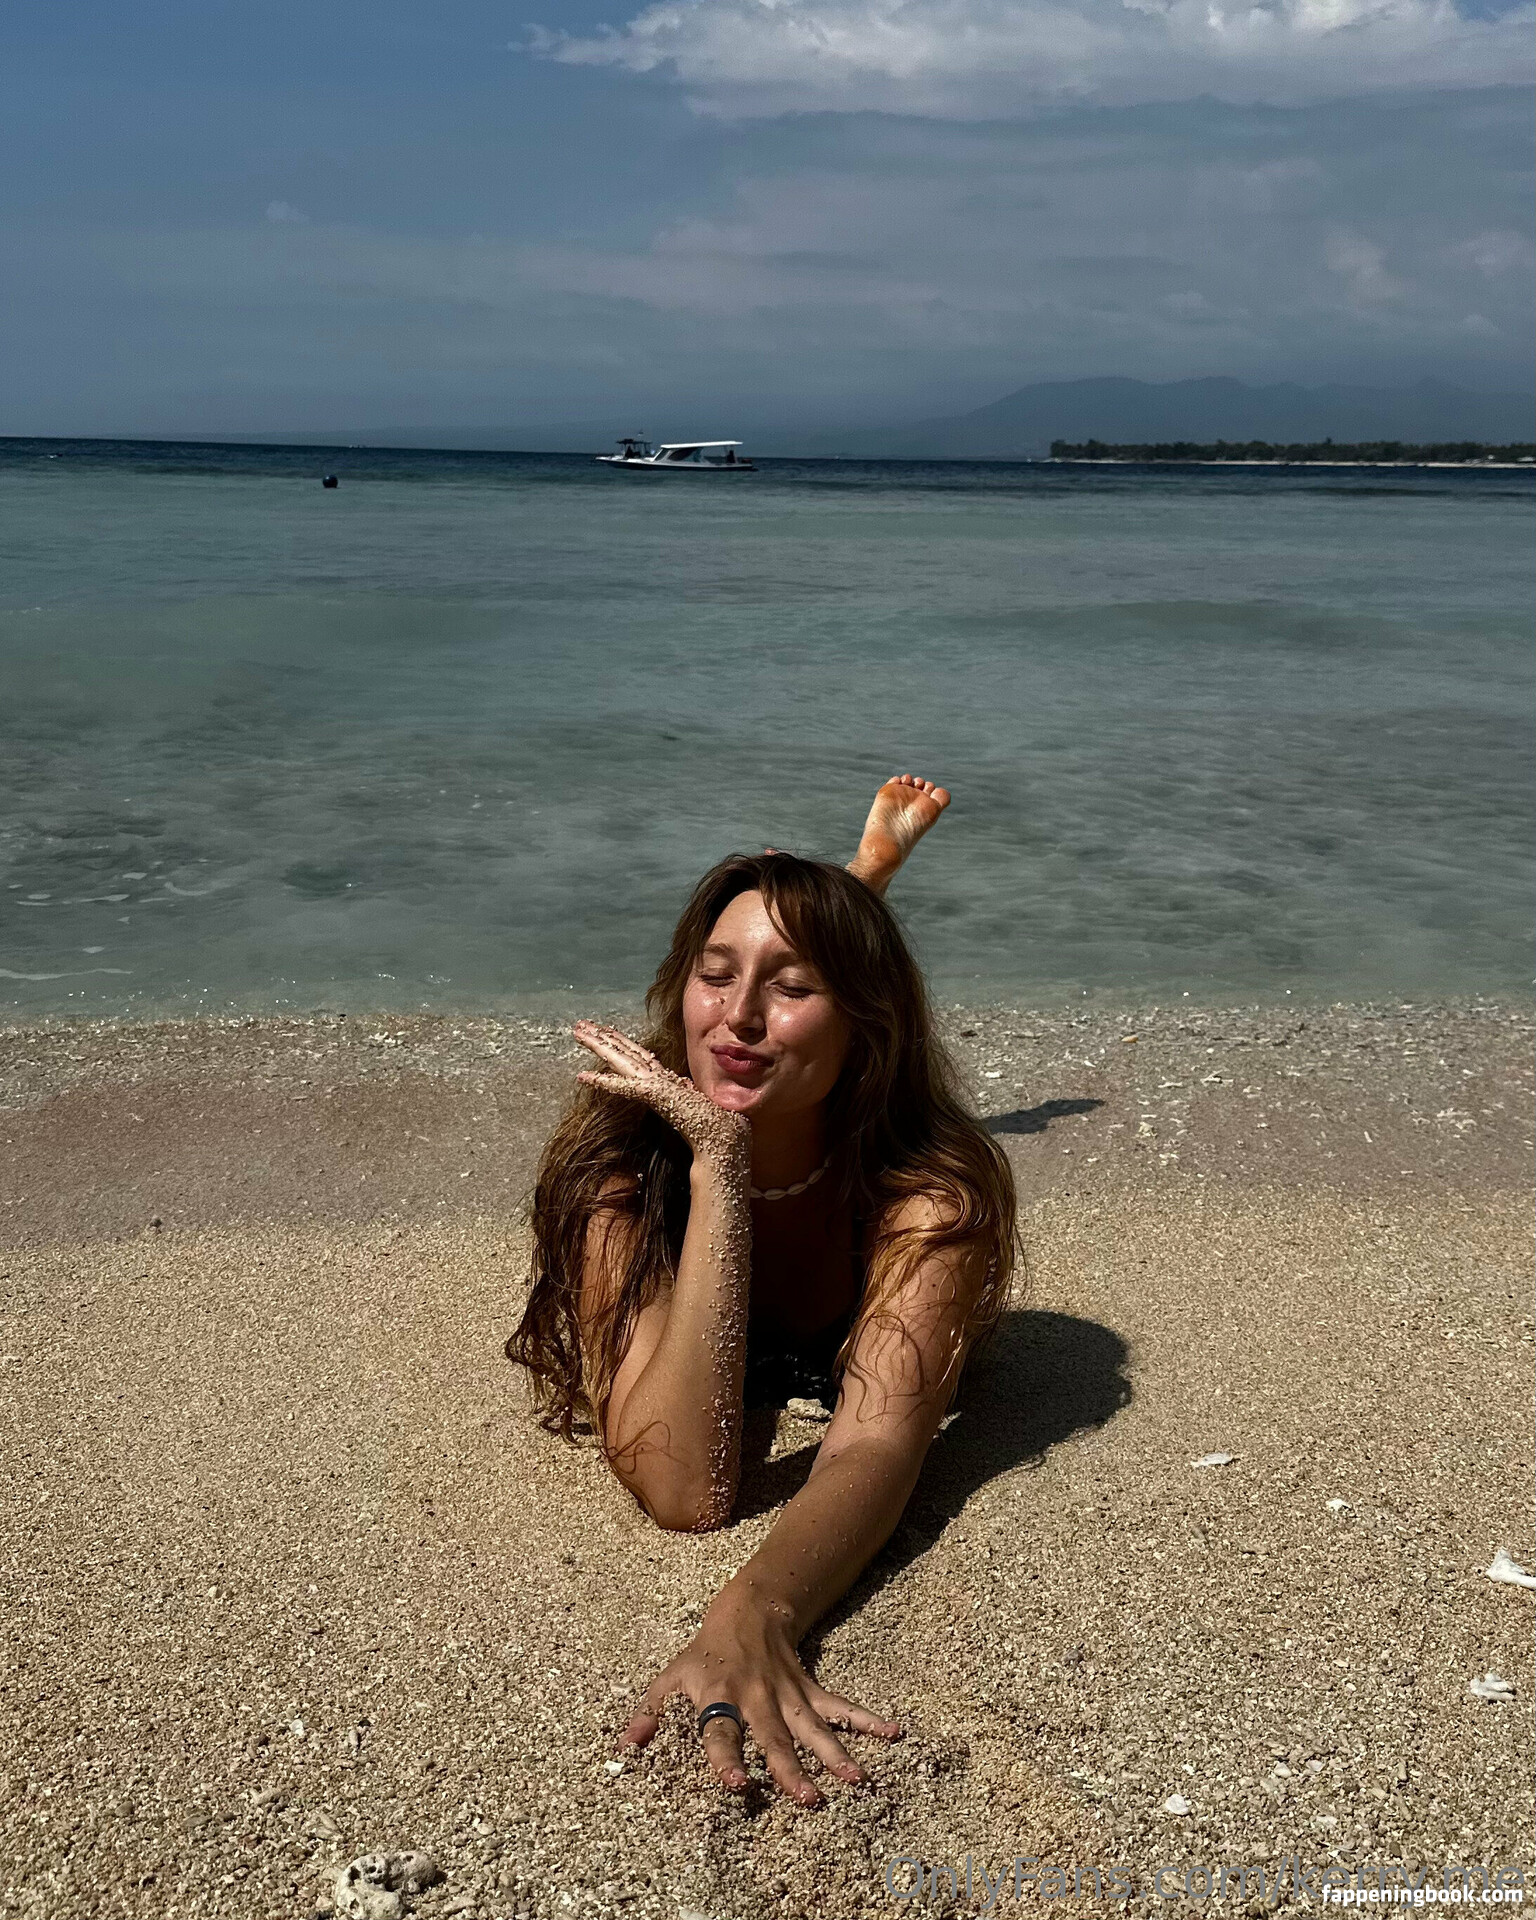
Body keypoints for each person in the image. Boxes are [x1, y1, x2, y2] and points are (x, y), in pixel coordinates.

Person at [506, 775, 1021, 1807]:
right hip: (708, 1191)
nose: (735, 1018)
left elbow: (877, 1441)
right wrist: (717, 1166)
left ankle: (851, 894)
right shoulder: (618, 1167)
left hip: (844, 1278)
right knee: (797, 947)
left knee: (821, 940)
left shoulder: (928, 1195)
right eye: (714, 976)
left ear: (867, 1029)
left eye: (789, 988)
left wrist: (755, 1613)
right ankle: (843, 897)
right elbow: (685, 1491)